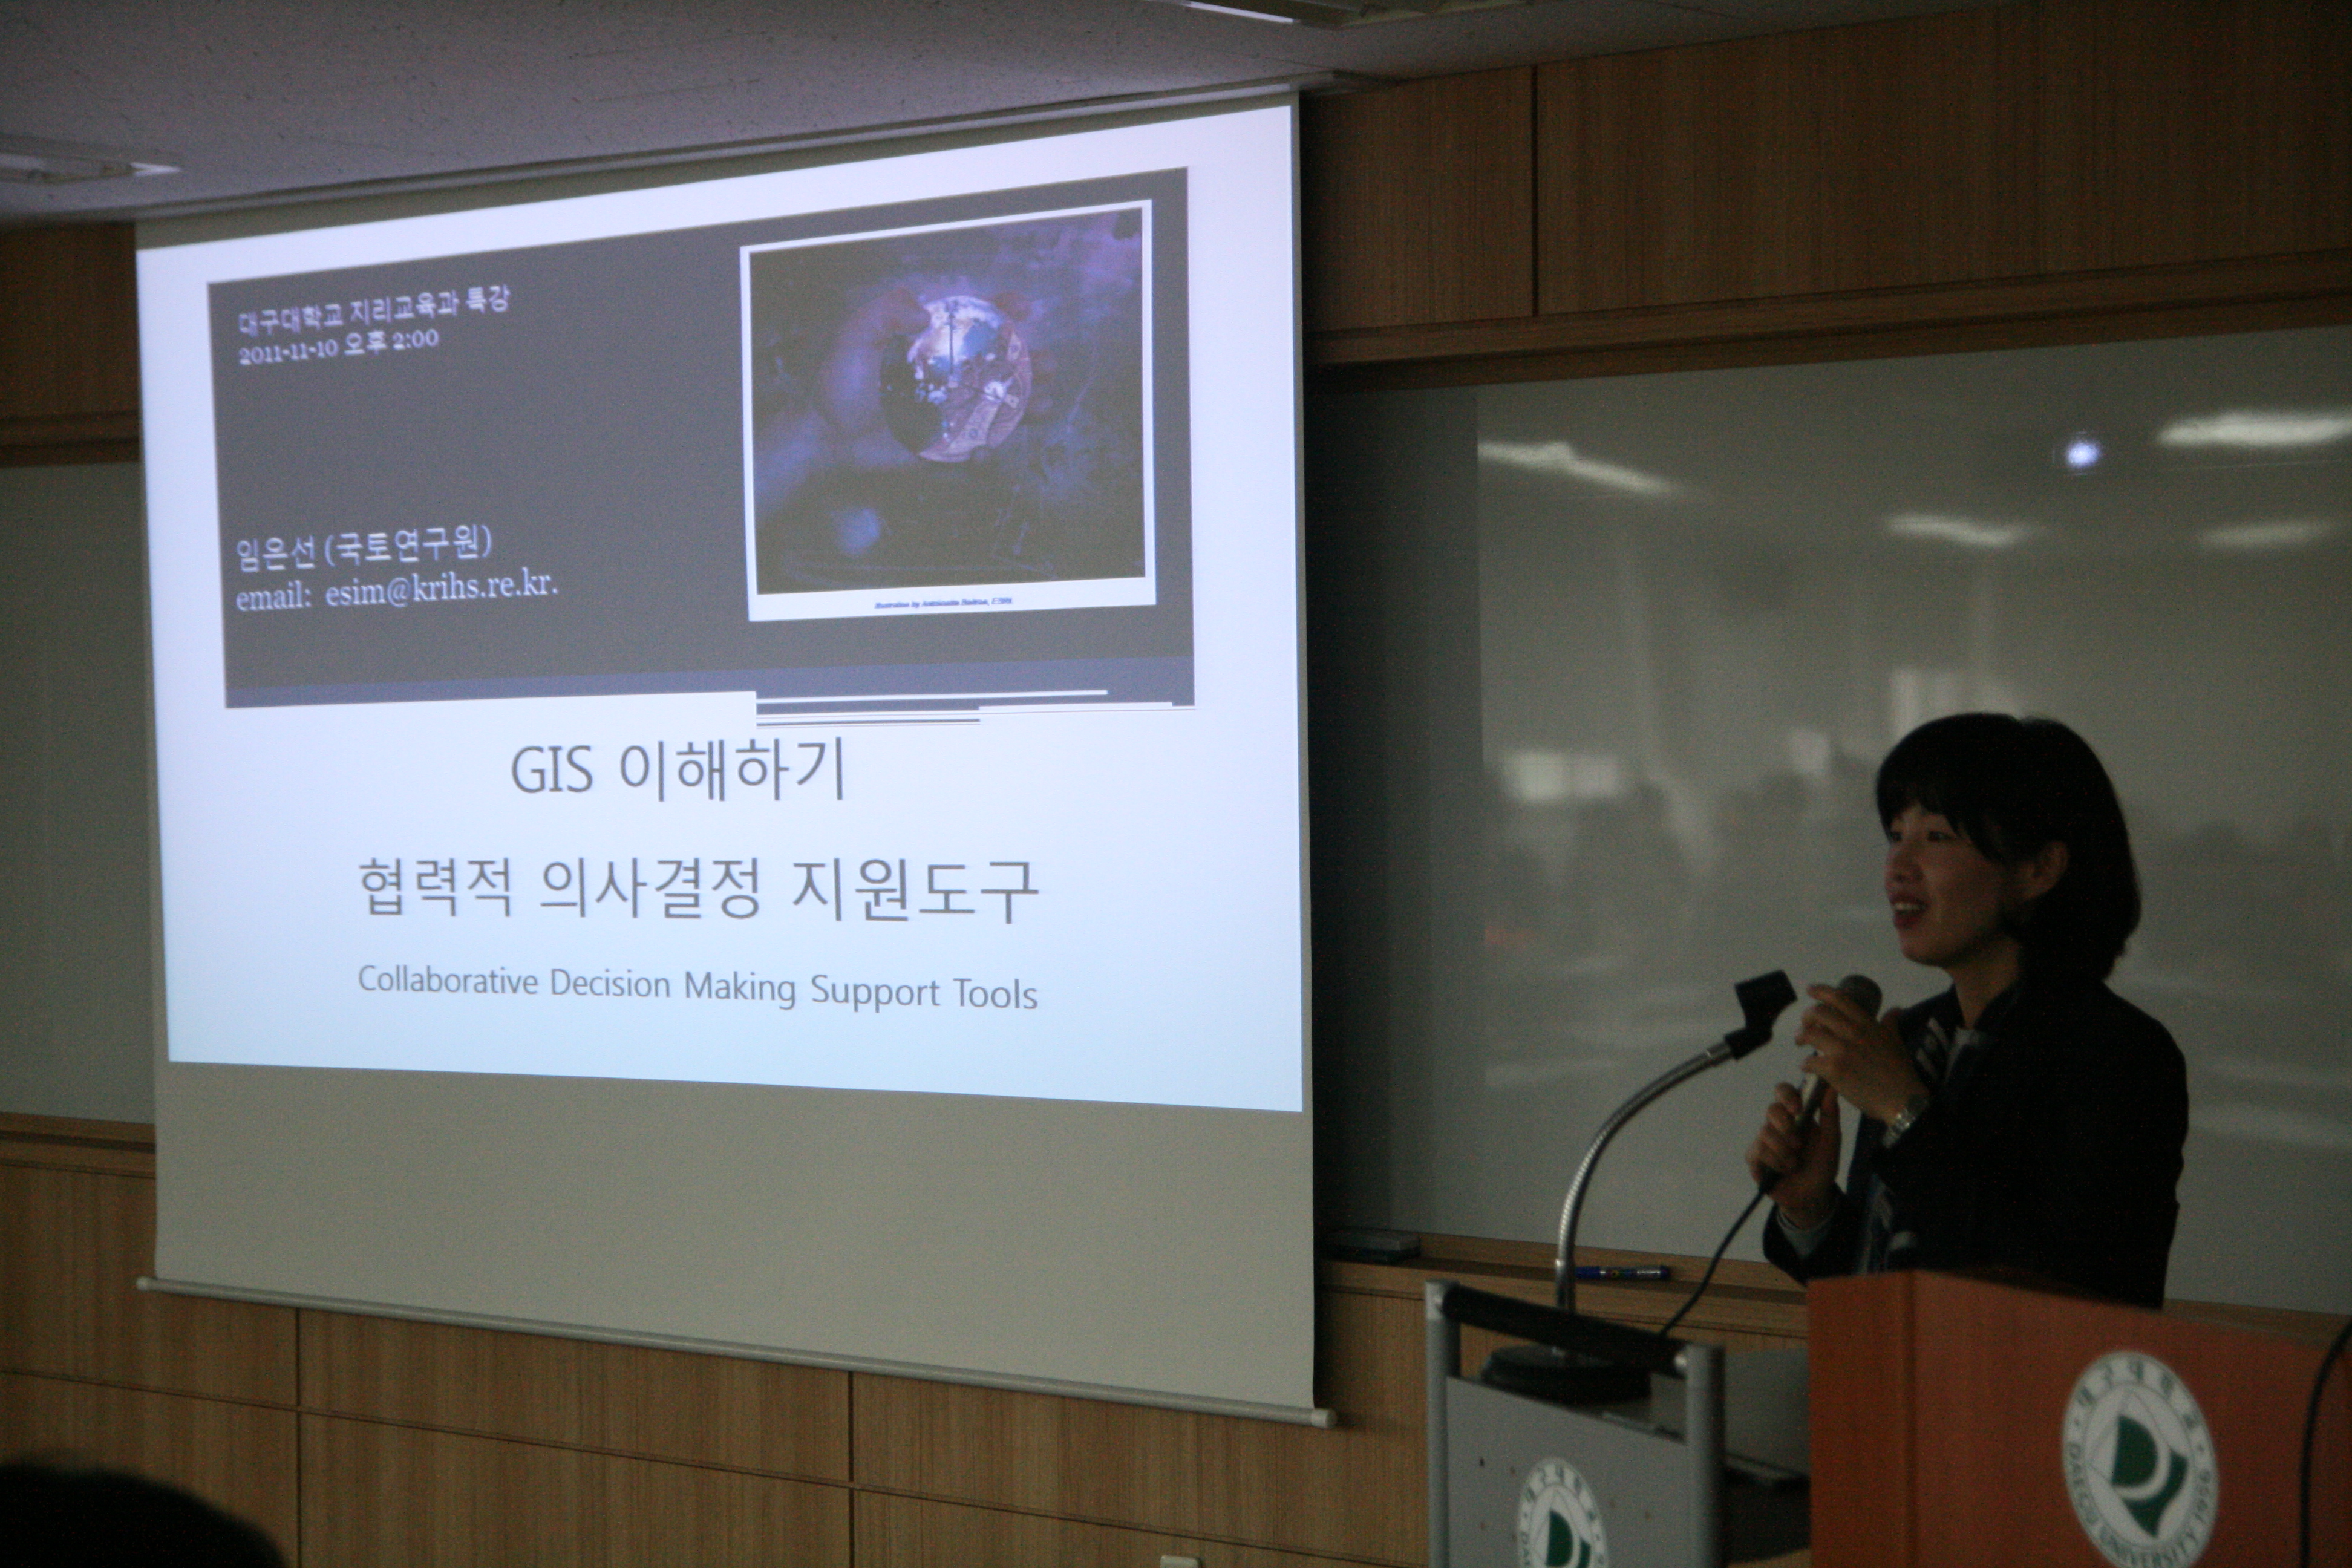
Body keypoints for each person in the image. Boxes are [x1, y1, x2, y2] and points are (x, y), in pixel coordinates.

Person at [1746, 713, 2188, 1308]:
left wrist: (1905, 1113)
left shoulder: (2118, 1054)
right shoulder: (1913, 1041)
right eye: (1895, 835)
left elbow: (2069, 1281)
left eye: (1936, 837)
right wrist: (1812, 1210)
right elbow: (1894, 1280)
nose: (1898, 866)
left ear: (2038, 869)